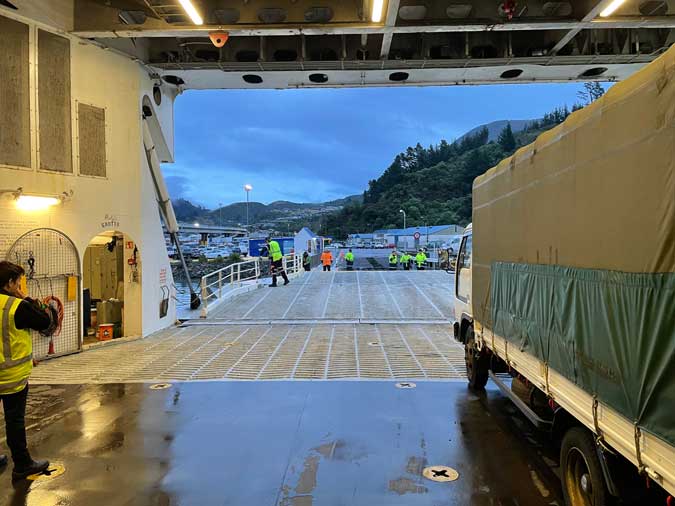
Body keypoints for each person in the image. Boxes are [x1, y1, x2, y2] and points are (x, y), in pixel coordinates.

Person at [0, 261, 54, 480]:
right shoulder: (16, 306)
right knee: (14, 421)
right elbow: (45, 322)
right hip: (11, 377)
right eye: (19, 281)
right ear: (10, 282)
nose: (20, 285)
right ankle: (22, 464)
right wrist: (27, 299)